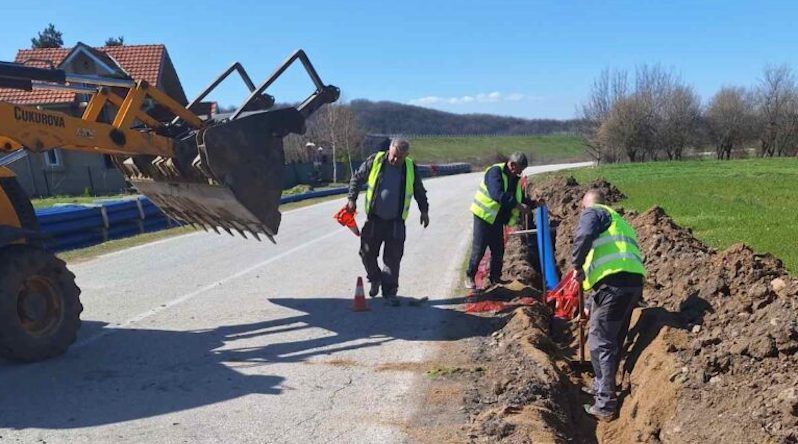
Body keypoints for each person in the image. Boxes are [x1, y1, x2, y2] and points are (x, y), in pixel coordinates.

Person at [571, 189, 646, 421]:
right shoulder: (619, 221)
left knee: (600, 342)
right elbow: (613, 262)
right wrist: (591, 303)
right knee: (612, 340)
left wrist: (577, 264)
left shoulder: (593, 212)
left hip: (614, 285)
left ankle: (604, 405)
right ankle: (601, 386)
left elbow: (584, 236)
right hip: (631, 285)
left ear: (586, 206)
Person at [347, 138, 429, 305]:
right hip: (374, 219)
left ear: (406, 155)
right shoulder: (376, 160)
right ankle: (375, 277)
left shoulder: (410, 167)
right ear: (389, 150)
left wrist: (424, 210)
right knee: (366, 253)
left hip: (396, 222)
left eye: (400, 157)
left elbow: (419, 190)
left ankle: (390, 292)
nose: (395, 160)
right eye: (393, 155)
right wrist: (351, 199)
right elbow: (357, 178)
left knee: (393, 259)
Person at [464, 152, 535, 290]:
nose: (519, 173)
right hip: (483, 216)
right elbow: (497, 194)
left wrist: (533, 203)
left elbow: (517, 197)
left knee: (498, 250)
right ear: (512, 165)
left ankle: (495, 279)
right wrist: (519, 207)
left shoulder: (514, 178)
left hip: (496, 218)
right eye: (519, 170)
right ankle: (470, 276)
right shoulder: (495, 172)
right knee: (479, 249)